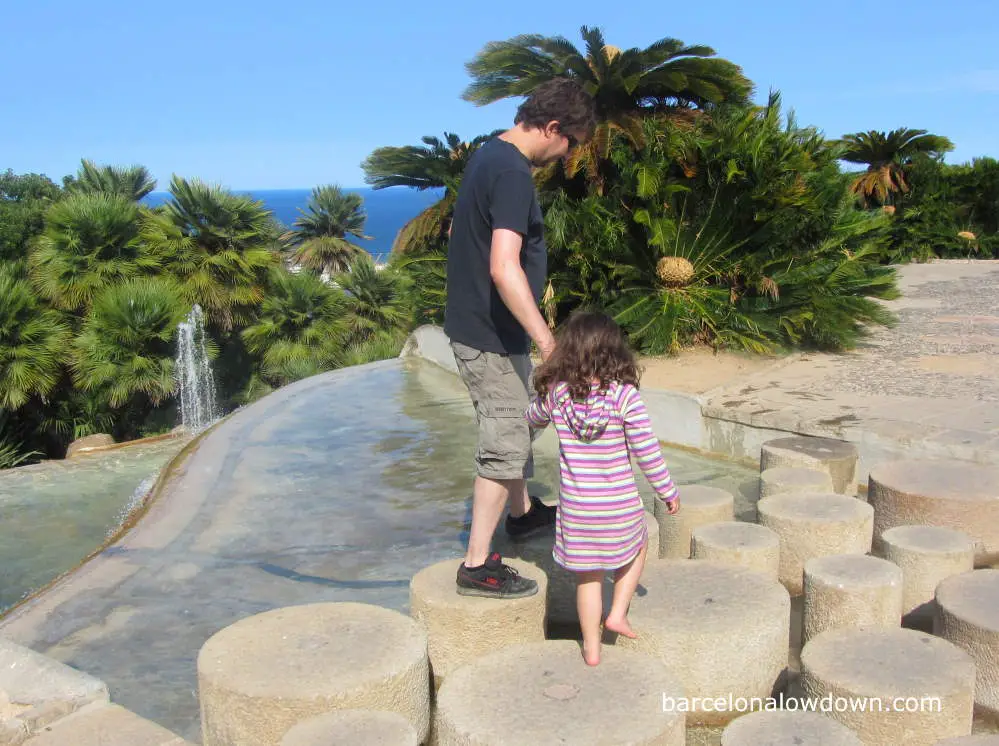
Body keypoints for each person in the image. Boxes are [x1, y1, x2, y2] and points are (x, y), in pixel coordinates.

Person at [444, 78, 597, 599]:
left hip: (484, 327)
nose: (568, 154)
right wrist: (549, 343)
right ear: (553, 129)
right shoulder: (513, 174)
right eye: (571, 143)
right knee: (505, 439)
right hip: (489, 334)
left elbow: (461, 233)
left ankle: (524, 513)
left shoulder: (490, 154)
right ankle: (477, 563)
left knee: (523, 417)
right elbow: (504, 267)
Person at [525, 310, 681, 665]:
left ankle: (591, 648)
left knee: (589, 579)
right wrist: (667, 490)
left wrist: (538, 402)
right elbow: (647, 452)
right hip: (619, 506)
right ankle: (617, 613)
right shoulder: (624, 397)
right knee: (639, 542)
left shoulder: (557, 394)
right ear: (615, 353)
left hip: (578, 510)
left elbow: (530, 418)